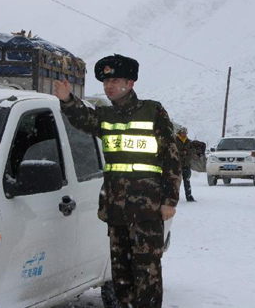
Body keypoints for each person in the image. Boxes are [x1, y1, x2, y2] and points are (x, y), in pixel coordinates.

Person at [54, 54, 181, 308]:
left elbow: (171, 157)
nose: (109, 86)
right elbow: (83, 120)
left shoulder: (152, 111)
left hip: (147, 209)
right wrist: (68, 99)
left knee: (147, 275)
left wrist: (169, 200)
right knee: (121, 275)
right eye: (105, 82)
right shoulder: (106, 116)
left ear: (131, 83)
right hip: (116, 208)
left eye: (115, 80)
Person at [175, 126, 197, 202]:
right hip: (177, 164)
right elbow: (173, 151)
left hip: (186, 165)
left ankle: (189, 196)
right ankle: (174, 197)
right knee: (176, 182)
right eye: (183, 132)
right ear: (179, 133)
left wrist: (188, 153)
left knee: (187, 181)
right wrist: (182, 153)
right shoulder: (175, 140)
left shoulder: (188, 142)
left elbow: (192, 151)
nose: (184, 134)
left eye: (185, 132)